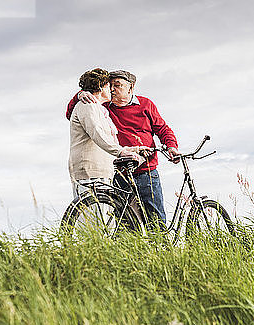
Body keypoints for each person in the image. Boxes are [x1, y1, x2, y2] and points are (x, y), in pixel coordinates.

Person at [66, 70, 179, 227]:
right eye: (110, 85)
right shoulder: (104, 107)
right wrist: (79, 94)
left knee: (156, 219)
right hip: (120, 173)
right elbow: (72, 111)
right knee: (125, 223)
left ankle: (162, 250)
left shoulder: (146, 105)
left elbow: (163, 129)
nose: (112, 89)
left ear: (130, 88)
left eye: (117, 85)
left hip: (146, 170)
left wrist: (171, 146)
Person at [68, 68, 143, 200]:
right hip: (90, 171)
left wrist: (134, 149)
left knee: (106, 216)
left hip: (102, 171)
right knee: (92, 218)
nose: (112, 90)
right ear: (101, 87)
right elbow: (97, 134)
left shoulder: (99, 109)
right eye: (109, 86)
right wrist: (120, 152)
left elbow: (110, 140)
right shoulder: (87, 105)